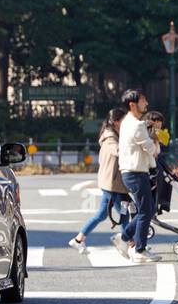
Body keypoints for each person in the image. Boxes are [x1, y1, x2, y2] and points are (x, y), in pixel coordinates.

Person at [68, 107, 129, 253]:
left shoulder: (114, 136)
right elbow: (119, 151)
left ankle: (78, 239)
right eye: (124, 120)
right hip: (112, 184)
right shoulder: (110, 139)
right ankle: (128, 242)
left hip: (111, 183)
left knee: (103, 214)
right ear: (116, 122)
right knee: (124, 213)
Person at [114, 89, 161, 262]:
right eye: (143, 100)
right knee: (146, 211)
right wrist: (155, 136)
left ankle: (124, 238)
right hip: (136, 173)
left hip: (130, 172)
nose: (146, 103)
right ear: (132, 105)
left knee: (147, 210)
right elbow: (153, 150)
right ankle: (139, 249)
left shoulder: (127, 121)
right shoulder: (137, 125)